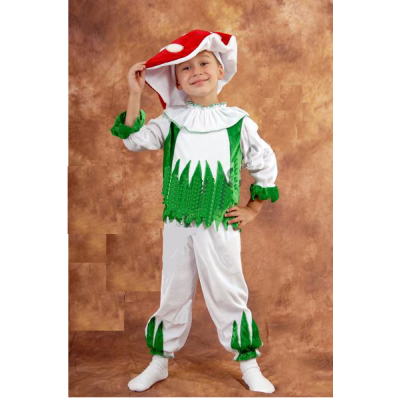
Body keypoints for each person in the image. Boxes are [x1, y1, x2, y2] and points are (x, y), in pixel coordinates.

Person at [110, 30, 279, 394]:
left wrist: (253, 207)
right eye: (185, 68)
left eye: (204, 63)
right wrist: (135, 93)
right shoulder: (173, 119)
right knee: (173, 291)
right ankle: (159, 362)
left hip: (220, 223)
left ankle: (248, 363)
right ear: (177, 81)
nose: (196, 71)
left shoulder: (237, 121)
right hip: (178, 222)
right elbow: (134, 140)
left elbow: (263, 161)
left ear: (220, 71)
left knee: (228, 291)